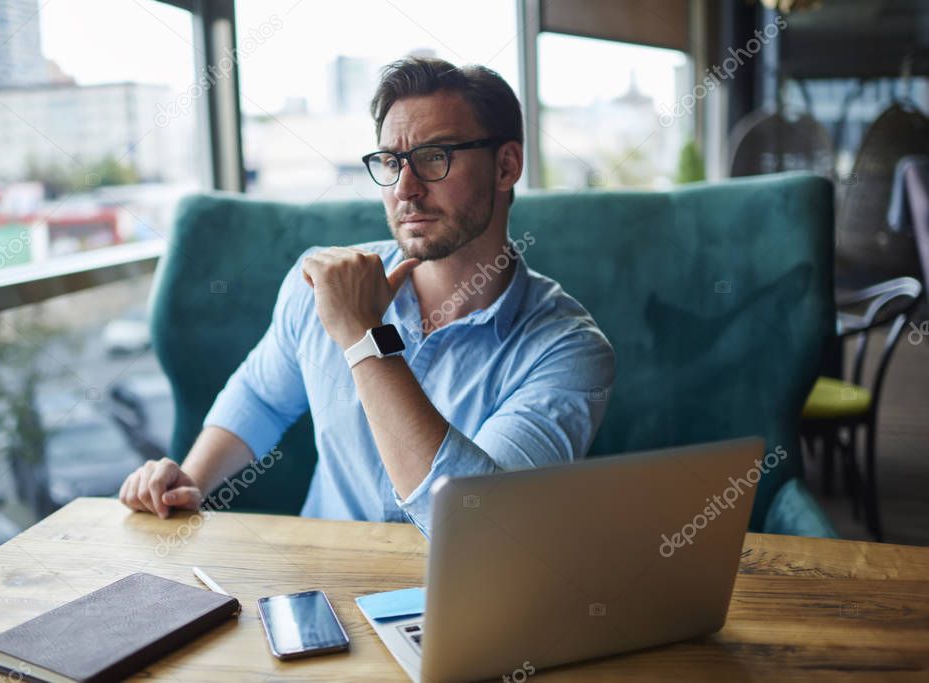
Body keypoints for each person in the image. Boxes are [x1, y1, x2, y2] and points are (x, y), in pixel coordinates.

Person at [119, 56, 615, 537]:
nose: (405, 188)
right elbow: (262, 399)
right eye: (390, 161)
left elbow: (479, 524)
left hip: (454, 599)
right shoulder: (323, 281)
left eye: (434, 157)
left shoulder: (569, 351)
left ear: (505, 167)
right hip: (320, 585)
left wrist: (365, 338)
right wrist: (191, 480)